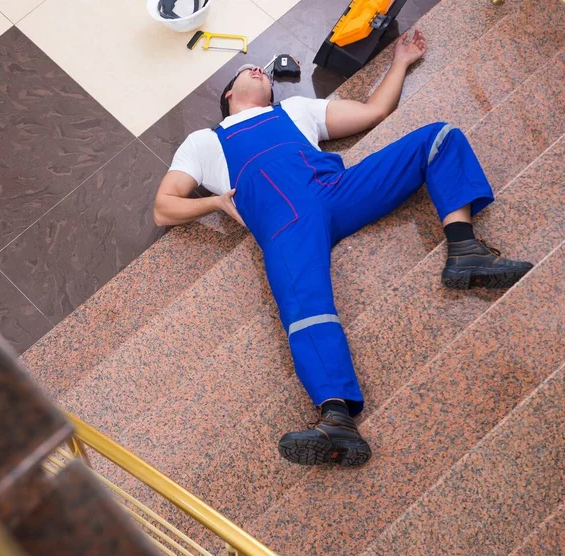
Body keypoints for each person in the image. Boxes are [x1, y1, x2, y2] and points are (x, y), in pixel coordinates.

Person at [153, 31, 533, 467]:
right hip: (286, 223)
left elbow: (374, 111)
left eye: (264, 73)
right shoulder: (206, 142)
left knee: (438, 138)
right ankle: (336, 418)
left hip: (337, 190)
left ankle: (465, 250)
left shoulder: (295, 111)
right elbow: (164, 208)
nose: (258, 69)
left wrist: (401, 61)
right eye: (247, 70)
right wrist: (217, 202)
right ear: (228, 93)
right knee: (306, 310)